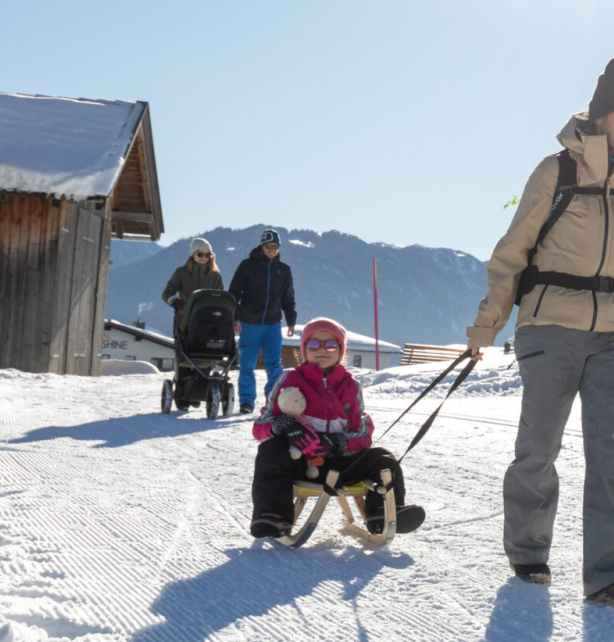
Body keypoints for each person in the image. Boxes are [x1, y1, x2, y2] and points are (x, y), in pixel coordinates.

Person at [465, 58, 614, 605]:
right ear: (603, 114)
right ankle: (529, 551)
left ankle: (611, 574)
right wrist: (487, 324)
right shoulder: (555, 171)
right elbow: (513, 253)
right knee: (539, 447)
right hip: (549, 326)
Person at [249, 318, 422, 539]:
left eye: (330, 345)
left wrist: (336, 441)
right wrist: (285, 425)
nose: (322, 350)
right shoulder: (289, 379)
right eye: (313, 345)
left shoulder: (350, 386)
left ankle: (383, 513)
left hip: (339, 466)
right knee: (270, 449)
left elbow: (363, 433)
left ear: (340, 350)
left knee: (384, 459)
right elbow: (260, 427)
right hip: (298, 464)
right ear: (304, 350)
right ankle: (272, 516)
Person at [228, 228, 298, 414]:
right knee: (247, 364)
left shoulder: (284, 269)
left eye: (275, 246)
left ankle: (273, 401)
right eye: (268, 246)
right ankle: (246, 402)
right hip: (249, 323)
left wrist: (291, 320)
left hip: (273, 324)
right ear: (261, 246)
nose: (272, 250)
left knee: (274, 364)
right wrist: (235, 318)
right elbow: (234, 293)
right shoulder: (247, 265)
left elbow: (288, 297)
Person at [162, 238, 224, 347]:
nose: (204, 257)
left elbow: (220, 296)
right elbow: (167, 293)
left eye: (207, 255)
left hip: (208, 318)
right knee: (186, 349)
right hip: (186, 318)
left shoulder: (215, 275)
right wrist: (174, 301)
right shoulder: (182, 272)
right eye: (200, 254)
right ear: (193, 255)